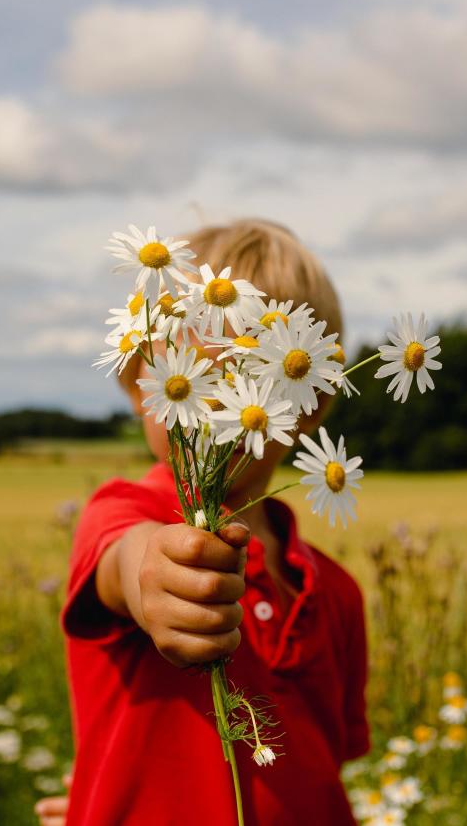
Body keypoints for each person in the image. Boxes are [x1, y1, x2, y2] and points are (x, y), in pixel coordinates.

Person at [40, 219, 369, 825]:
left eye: (244, 378)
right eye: (190, 376)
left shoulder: (338, 595)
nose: (212, 406)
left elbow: (321, 770)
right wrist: (157, 576)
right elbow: (131, 561)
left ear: (310, 398)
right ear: (143, 386)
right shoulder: (122, 515)